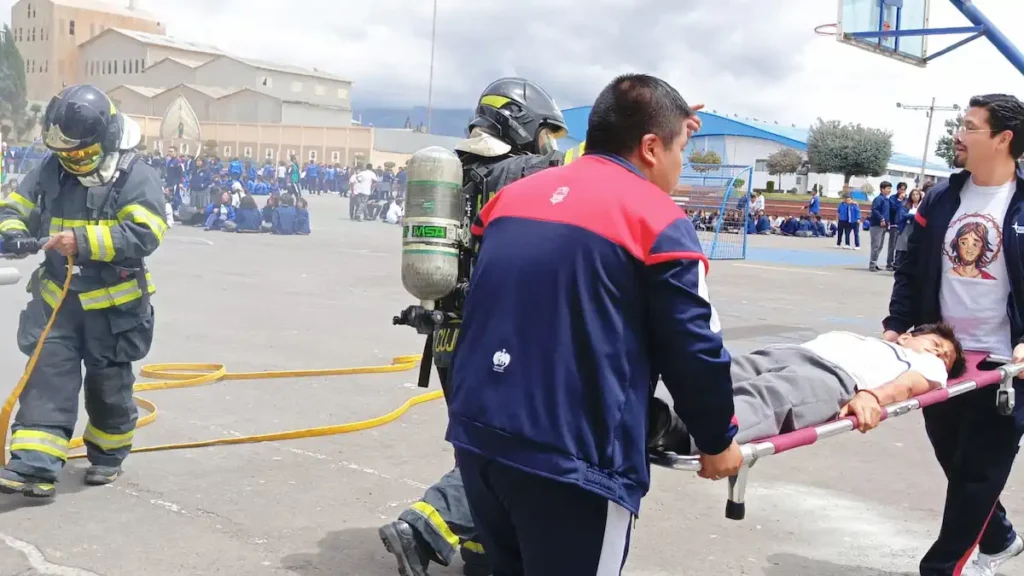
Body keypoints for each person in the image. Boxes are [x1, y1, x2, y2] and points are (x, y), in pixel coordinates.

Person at [443, 74, 742, 575]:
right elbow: (695, 349)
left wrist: (665, 114)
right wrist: (718, 439)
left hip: (480, 441)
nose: (681, 164)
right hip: (573, 463)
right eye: (681, 149)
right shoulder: (657, 220)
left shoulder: (509, 201)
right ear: (651, 147)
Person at [379, 77, 569, 576]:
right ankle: (425, 526)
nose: (549, 145)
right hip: (493, 340)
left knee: (476, 444)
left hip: (445, 334)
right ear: (520, 124)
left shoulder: (452, 171)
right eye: (546, 133)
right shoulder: (523, 171)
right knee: (505, 453)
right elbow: (592, 166)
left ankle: (484, 555)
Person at [0, 84, 166, 498]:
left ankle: (108, 456)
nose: (73, 162)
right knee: (47, 379)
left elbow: (145, 233)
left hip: (113, 312)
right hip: (56, 303)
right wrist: (13, 233)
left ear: (106, 138)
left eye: (81, 154)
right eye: (66, 155)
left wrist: (83, 241)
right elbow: (15, 206)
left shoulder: (136, 175)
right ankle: (33, 466)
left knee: (108, 391)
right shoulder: (51, 168)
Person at [883, 94, 1024, 576]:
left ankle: (942, 569)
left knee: (977, 474)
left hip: (1005, 366)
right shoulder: (942, 197)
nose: (958, 135)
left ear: (1003, 139)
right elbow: (910, 265)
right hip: (941, 356)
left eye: (969, 127)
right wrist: (896, 323)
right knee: (954, 460)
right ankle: (1000, 538)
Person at [648, 324, 963, 454]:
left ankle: (672, 428)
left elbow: (909, 385)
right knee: (716, 374)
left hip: (834, 377)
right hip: (789, 352)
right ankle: (644, 404)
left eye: (946, 357)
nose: (939, 354)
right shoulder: (870, 340)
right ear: (907, 335)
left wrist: (872, 396)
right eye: (936, 344)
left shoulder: (927, 365)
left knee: (771, 397)